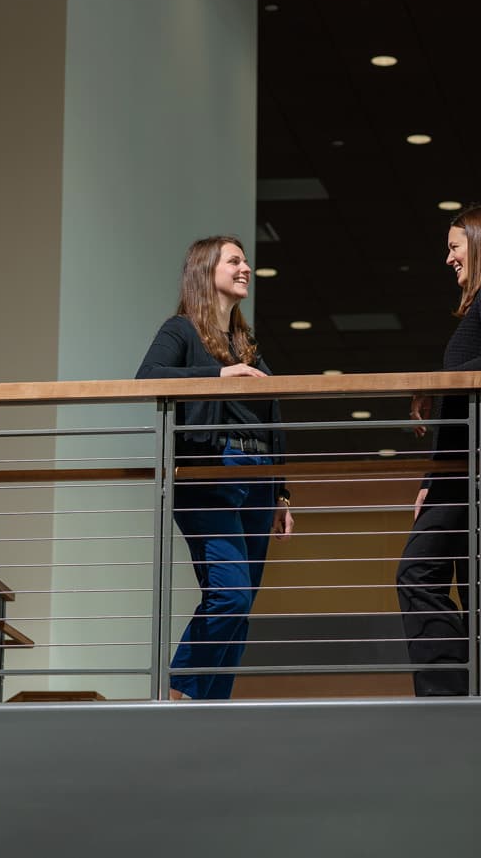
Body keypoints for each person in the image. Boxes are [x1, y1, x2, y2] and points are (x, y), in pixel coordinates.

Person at [136, 235, 294, 700]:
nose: (245, 268)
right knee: (230, 595)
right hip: (211, 471)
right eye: (235, 261)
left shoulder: (246, 343)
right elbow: (147, 379)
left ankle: (213, 705)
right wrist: (219, 375)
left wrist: (282, 491)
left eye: (245, 261)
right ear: (207, 271)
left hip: (259, 476)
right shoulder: (180, 330)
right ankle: (182, 688)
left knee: (239, 608)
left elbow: (272, 417)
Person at [398, 204, 481, 695]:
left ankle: (449, 696)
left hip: (475, 466)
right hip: (471, 464)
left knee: (417, 573)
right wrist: (430, 481)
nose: (448, 258)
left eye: (454, 246)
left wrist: (434, 384)